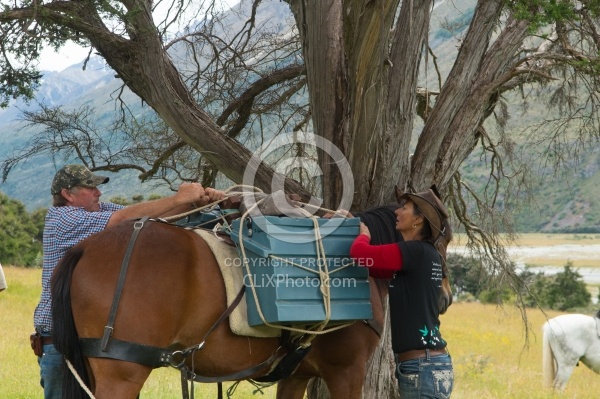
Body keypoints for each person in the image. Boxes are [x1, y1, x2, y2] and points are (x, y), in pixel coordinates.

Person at [33, 164, 226, 399]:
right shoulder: (63, 219)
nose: (98, 192)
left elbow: (147, 217)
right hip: (60, 344)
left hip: (92, 339)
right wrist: (179, 197)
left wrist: (193, 203)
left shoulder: (98, 210)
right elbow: (123, 218)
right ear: (67, 194)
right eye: (90, 187)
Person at [350, 188, 453, 398]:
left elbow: (360, 255)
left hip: (422, 367)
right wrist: (350, 222)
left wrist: (363, 235)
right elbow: (373, 267)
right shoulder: (425, 255)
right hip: (426, 366)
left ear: (418, 220)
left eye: (404, 208)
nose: (397, 212)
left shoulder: (415, 251)